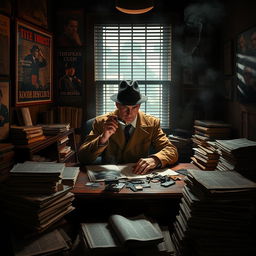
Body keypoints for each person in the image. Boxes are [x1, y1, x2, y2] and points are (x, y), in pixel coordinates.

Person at [78, 80, 178, 174]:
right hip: (110, 177)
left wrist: (155, 159)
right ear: (117, 105)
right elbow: (82, 158)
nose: (129, 113)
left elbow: (171, 150)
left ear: (139, 106)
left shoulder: (152, 123)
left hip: (138, 174)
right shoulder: (101, 122)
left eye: (134, 107)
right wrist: (103, 139)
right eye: (125, 107)